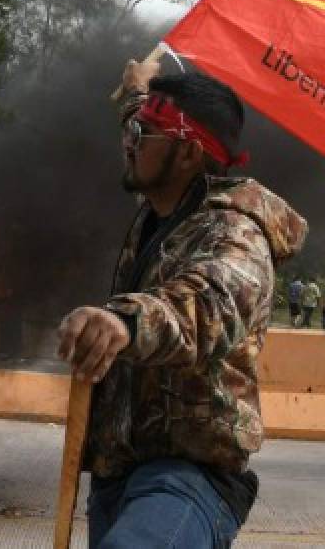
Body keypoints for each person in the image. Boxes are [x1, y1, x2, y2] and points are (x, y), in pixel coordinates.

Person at [56, 62, 307, 549]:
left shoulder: (237, 234)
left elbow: (206, 307)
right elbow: (146, 121)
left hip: (189, 479)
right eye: (131, 128)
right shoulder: (163, 209)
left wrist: (123, 321)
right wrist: (135, 90)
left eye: (142, 133)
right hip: (119, 476)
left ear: (189, 152)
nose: (129, 140)